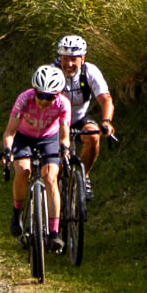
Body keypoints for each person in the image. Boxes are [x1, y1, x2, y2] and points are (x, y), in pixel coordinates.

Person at [2, 65, 72, 252]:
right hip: (24, 137)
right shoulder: (24, 99)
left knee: (50, 179)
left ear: (57, 95)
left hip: (49, 138)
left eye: (49, 97)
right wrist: (8, 151)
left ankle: (54, 234)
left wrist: (64, 149)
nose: (43, 100)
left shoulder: (63, 104)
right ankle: (17, 212)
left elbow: (65, 136)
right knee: (23, 171)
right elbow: (10, 132)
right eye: (40, 95)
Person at [54, 35, 114, 195]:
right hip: (56, 121)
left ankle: (83, 176)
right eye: (65, 59)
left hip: (80, 118)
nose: (69, 64)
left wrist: (106, 122)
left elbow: (106, 99)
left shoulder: (90, 71)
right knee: (56, 170)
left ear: (83, 58)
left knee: (94, 136)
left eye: (74, 59)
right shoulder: (53, 72)